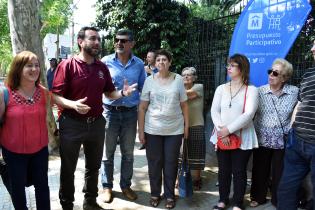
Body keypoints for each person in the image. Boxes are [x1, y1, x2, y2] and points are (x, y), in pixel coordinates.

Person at [52, 26, 137, 210]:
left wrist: (122, 93)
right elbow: (54, 96)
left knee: (94, 166)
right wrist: (73, 104)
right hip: (71, 124)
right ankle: (67, 204)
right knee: (68, 168)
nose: (97, 42)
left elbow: (109, 92)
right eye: (92, 38)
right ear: (81, 42)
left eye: (98, 38)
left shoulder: (101, 67)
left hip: (97, 123)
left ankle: (89, 201)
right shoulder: (67, 65)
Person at [138, 49, 189, 209]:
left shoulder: (178, 79)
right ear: (155, 63)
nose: (161, 62)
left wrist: (186, 126)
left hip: (174, 130)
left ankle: (169, 195)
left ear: (170, 62)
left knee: (171, 163)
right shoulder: (149, 81)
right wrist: (140, 130)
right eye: (158, 60)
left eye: (164, 59)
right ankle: (154, 193)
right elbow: (142, 108)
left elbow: (184, 104)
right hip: (152, 129)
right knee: (154, 163)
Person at [0, 51, 51, 210]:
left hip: (40, 150)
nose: (34, 69)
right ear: (18, 68)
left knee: (42, 187)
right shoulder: (5, 93)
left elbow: (55, 102)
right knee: (18, 189)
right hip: (13, 153)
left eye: (37, 65)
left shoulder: (42, 91)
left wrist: (73, 104)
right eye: (29, 65)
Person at [100, 29, 146, 203]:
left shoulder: (139, 64)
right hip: (110, 112)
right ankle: (106, 187)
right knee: (107, 153)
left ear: (132, 44)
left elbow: (143, 89)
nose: (119, 43)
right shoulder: (105, 62)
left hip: (130, 114)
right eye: (117, 40)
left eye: (124, 40)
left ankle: (125, 185)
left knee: (128, 153)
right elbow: (101, 88)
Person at [210, 53, 258, 210]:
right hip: (221, 135)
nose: (228, 68)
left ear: (242, 68)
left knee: (239, 171)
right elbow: (214, 111)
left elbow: (249, 114)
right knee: (223, 171)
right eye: (228, 65)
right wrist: (221, 130)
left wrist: (228, 130)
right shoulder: (221, 88)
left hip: (242, 138)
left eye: (232, 65)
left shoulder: (251, 90)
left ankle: (238, 202)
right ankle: (223, 200)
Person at [250, 58, 298, 207]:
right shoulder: (260, 91)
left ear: (284, 78)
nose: (271, 75)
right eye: (270, 71)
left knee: (280, 171)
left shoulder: (294, 92)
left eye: (275, 73)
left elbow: (299, 110)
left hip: (282, 138)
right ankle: (258, 197)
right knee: (259, 168)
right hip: (262, 136)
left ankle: (278, 199)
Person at [277, 40, 315, 210]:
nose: (312, 48)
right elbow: (300, 103)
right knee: (286, 189)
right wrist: (292, 128)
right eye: (312, 44)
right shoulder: (308, 74)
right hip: (297, 141)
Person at [181, 66, 205, 190]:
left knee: (196, 154)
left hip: (196, 125)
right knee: (181, 154)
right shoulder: (179, 89)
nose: (186, 76)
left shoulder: (198, 87)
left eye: (189, 74)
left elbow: (187, 95)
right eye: (184, 74)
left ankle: (197, 179)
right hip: (180, 127)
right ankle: (182, 178)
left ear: (194, 77)